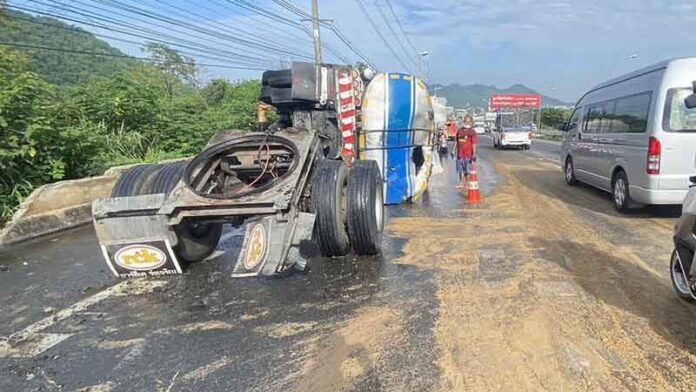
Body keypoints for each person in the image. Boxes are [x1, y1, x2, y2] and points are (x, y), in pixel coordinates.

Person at [455, 115, 478, 189]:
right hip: (459, 154)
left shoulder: (472, 132)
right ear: (463, 121)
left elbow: (474, 144)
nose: (467, 123)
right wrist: (453, 150)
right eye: (465, 121)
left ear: (471, 123)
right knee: (460, 170)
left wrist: (474, 155)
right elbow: (456, 141)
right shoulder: (459, 131)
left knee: (467, 170)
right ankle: (461, 183)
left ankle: (467, 183)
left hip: (468, 155)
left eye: (468, 121)